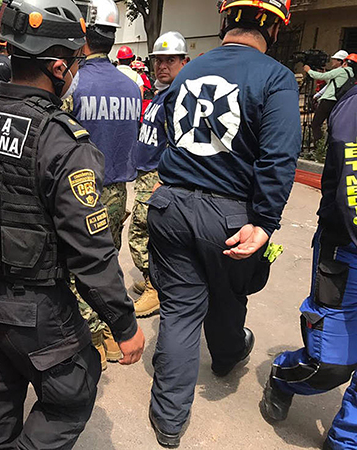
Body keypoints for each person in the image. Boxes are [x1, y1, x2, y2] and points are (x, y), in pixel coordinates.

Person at [0, 0, 145, 446]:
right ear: (57, 67)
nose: (74, 71)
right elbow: (90, 252)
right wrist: (124, 327)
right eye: (73, 63)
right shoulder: (62, 141)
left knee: (1, 392)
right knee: (73, 394)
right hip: (36, 308)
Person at [146, 0, 300, 447]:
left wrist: (171, 180)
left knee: (179, 309)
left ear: (225, 21)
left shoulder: (188, 71)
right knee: (229, 293)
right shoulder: (276, 77)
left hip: (170, 207)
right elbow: (279, 156)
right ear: (272, 29)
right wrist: (265, 220)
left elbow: (163, 128)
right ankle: (228, 355)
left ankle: (168, 422)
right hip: (229, 211)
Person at [260, 54, 357, 450]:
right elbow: (352, 187)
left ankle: (345, 440)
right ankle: (283, 375)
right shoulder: (353, 108)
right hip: (346, 255)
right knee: (331, 364)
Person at [66, 0, 141, 367]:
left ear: (84, 36)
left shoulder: (75, 82)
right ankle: (113, 331)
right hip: (118, 191)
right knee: (108, 262)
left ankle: (94, 334)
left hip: (82, 191)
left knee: (79, 264)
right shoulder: (132, 84)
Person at [130, 31, 189, 319]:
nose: (162, 66)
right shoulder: (160, 93)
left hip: (157, 177)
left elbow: (180, 145)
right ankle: (154, 278)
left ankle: (156, 286)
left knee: (142, 235)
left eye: (170, 60)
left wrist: (164, 182)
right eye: (158, 60)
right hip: (145, 173)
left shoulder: (177, 98)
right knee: (146, 233)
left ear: (183, 62)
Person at [305, 49, 354, 143]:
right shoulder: (350, 73)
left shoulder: (340, 71)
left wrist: (309, 70)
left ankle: (318, 145)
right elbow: (333, 84)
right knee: (330, 125)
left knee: (316, 123)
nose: (332, 61)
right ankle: (327, 146)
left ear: (341, 61)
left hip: (328, 100)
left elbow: (319, 77)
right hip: (336, 101)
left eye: (334, 59)